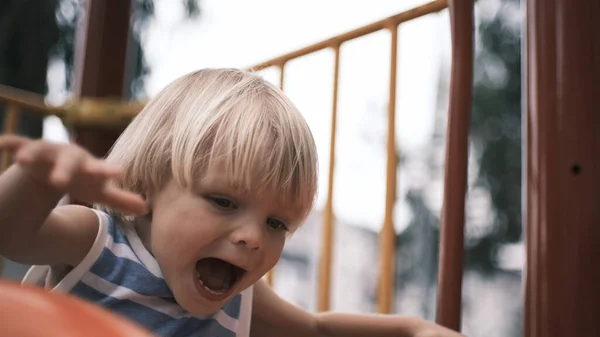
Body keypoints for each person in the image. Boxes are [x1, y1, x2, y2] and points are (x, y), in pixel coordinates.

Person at [0, 68, 464, 337]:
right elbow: (12, 235)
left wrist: (409, 330)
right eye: (223, 201)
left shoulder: (239, 301)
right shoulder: (99, 244)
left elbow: (315, 330)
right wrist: (33, 179)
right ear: (147, 184)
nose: (252, 237)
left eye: (277, 223)